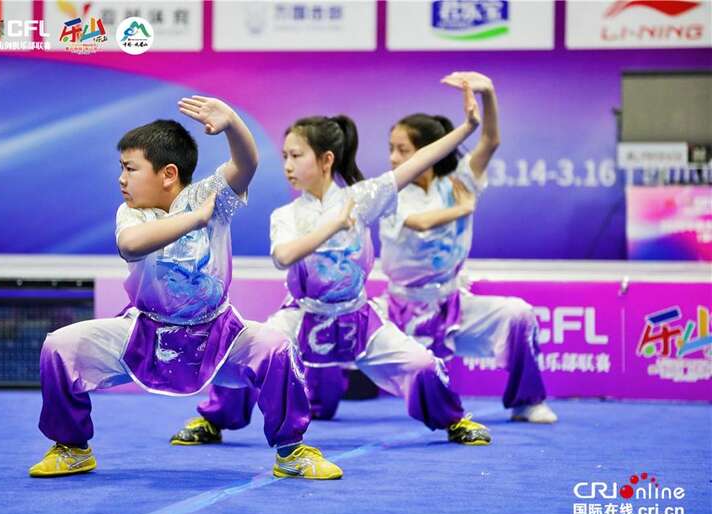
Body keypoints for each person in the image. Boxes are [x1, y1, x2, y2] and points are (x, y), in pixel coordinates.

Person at [29, 96, 343, 480]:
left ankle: (292, 452)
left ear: (168, 173)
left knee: (277, 347)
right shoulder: (132, 212)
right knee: (60, 347)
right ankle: (72, 448)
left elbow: (247, 163)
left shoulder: (212, 197)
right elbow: (130, 245)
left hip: (218, 334)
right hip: (146, 332)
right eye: (121, 168)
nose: (121, 179)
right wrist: (194, 220)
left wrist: (232, 122)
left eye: (130, 168)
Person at [172, 79, 493, 447]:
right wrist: (334, 225)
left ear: (326, 160)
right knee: (250, 353)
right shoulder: (286, 215)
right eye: (285, 156)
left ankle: (453, 420)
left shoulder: (363, 198)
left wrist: (468, 127)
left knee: (421, 364)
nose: (288, 165)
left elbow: (421, 160)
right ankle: (213, 420)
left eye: (297, 156)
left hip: (358, 317)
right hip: (302, 314)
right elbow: (284, 257)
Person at [378, 72, 557, 424]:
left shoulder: (458, 181)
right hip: (398, 308)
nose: (394, 158)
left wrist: (488, 92)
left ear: (430, 151)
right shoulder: (388, 191)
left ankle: (527, 402)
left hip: (452, 305)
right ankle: (316, 406)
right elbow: (419, 222)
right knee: (338, 324)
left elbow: (490, 140)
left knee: (517, 314)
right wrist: (463, 209)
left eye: (403, 149)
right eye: (391, 149)